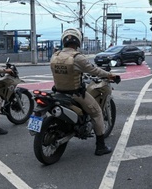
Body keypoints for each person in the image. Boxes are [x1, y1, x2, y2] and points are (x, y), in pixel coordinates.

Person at [50, 28, 119, 156]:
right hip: (75, 94)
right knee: (97, 112)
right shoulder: (77, 57)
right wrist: (110, 75)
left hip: (58, 92)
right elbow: (94, 71)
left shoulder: (55, 55)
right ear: (78, 41)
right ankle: (100, 146)